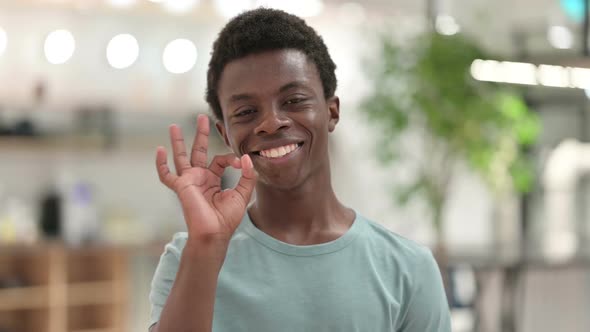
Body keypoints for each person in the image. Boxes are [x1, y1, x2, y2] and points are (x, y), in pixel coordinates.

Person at [149, 8, 451, 332]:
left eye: (293, 100)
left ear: (331, 112)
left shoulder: (408, 269)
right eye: (247, 111)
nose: (271, 122)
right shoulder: (188, 258)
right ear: (226, 135)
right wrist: (206, 245)